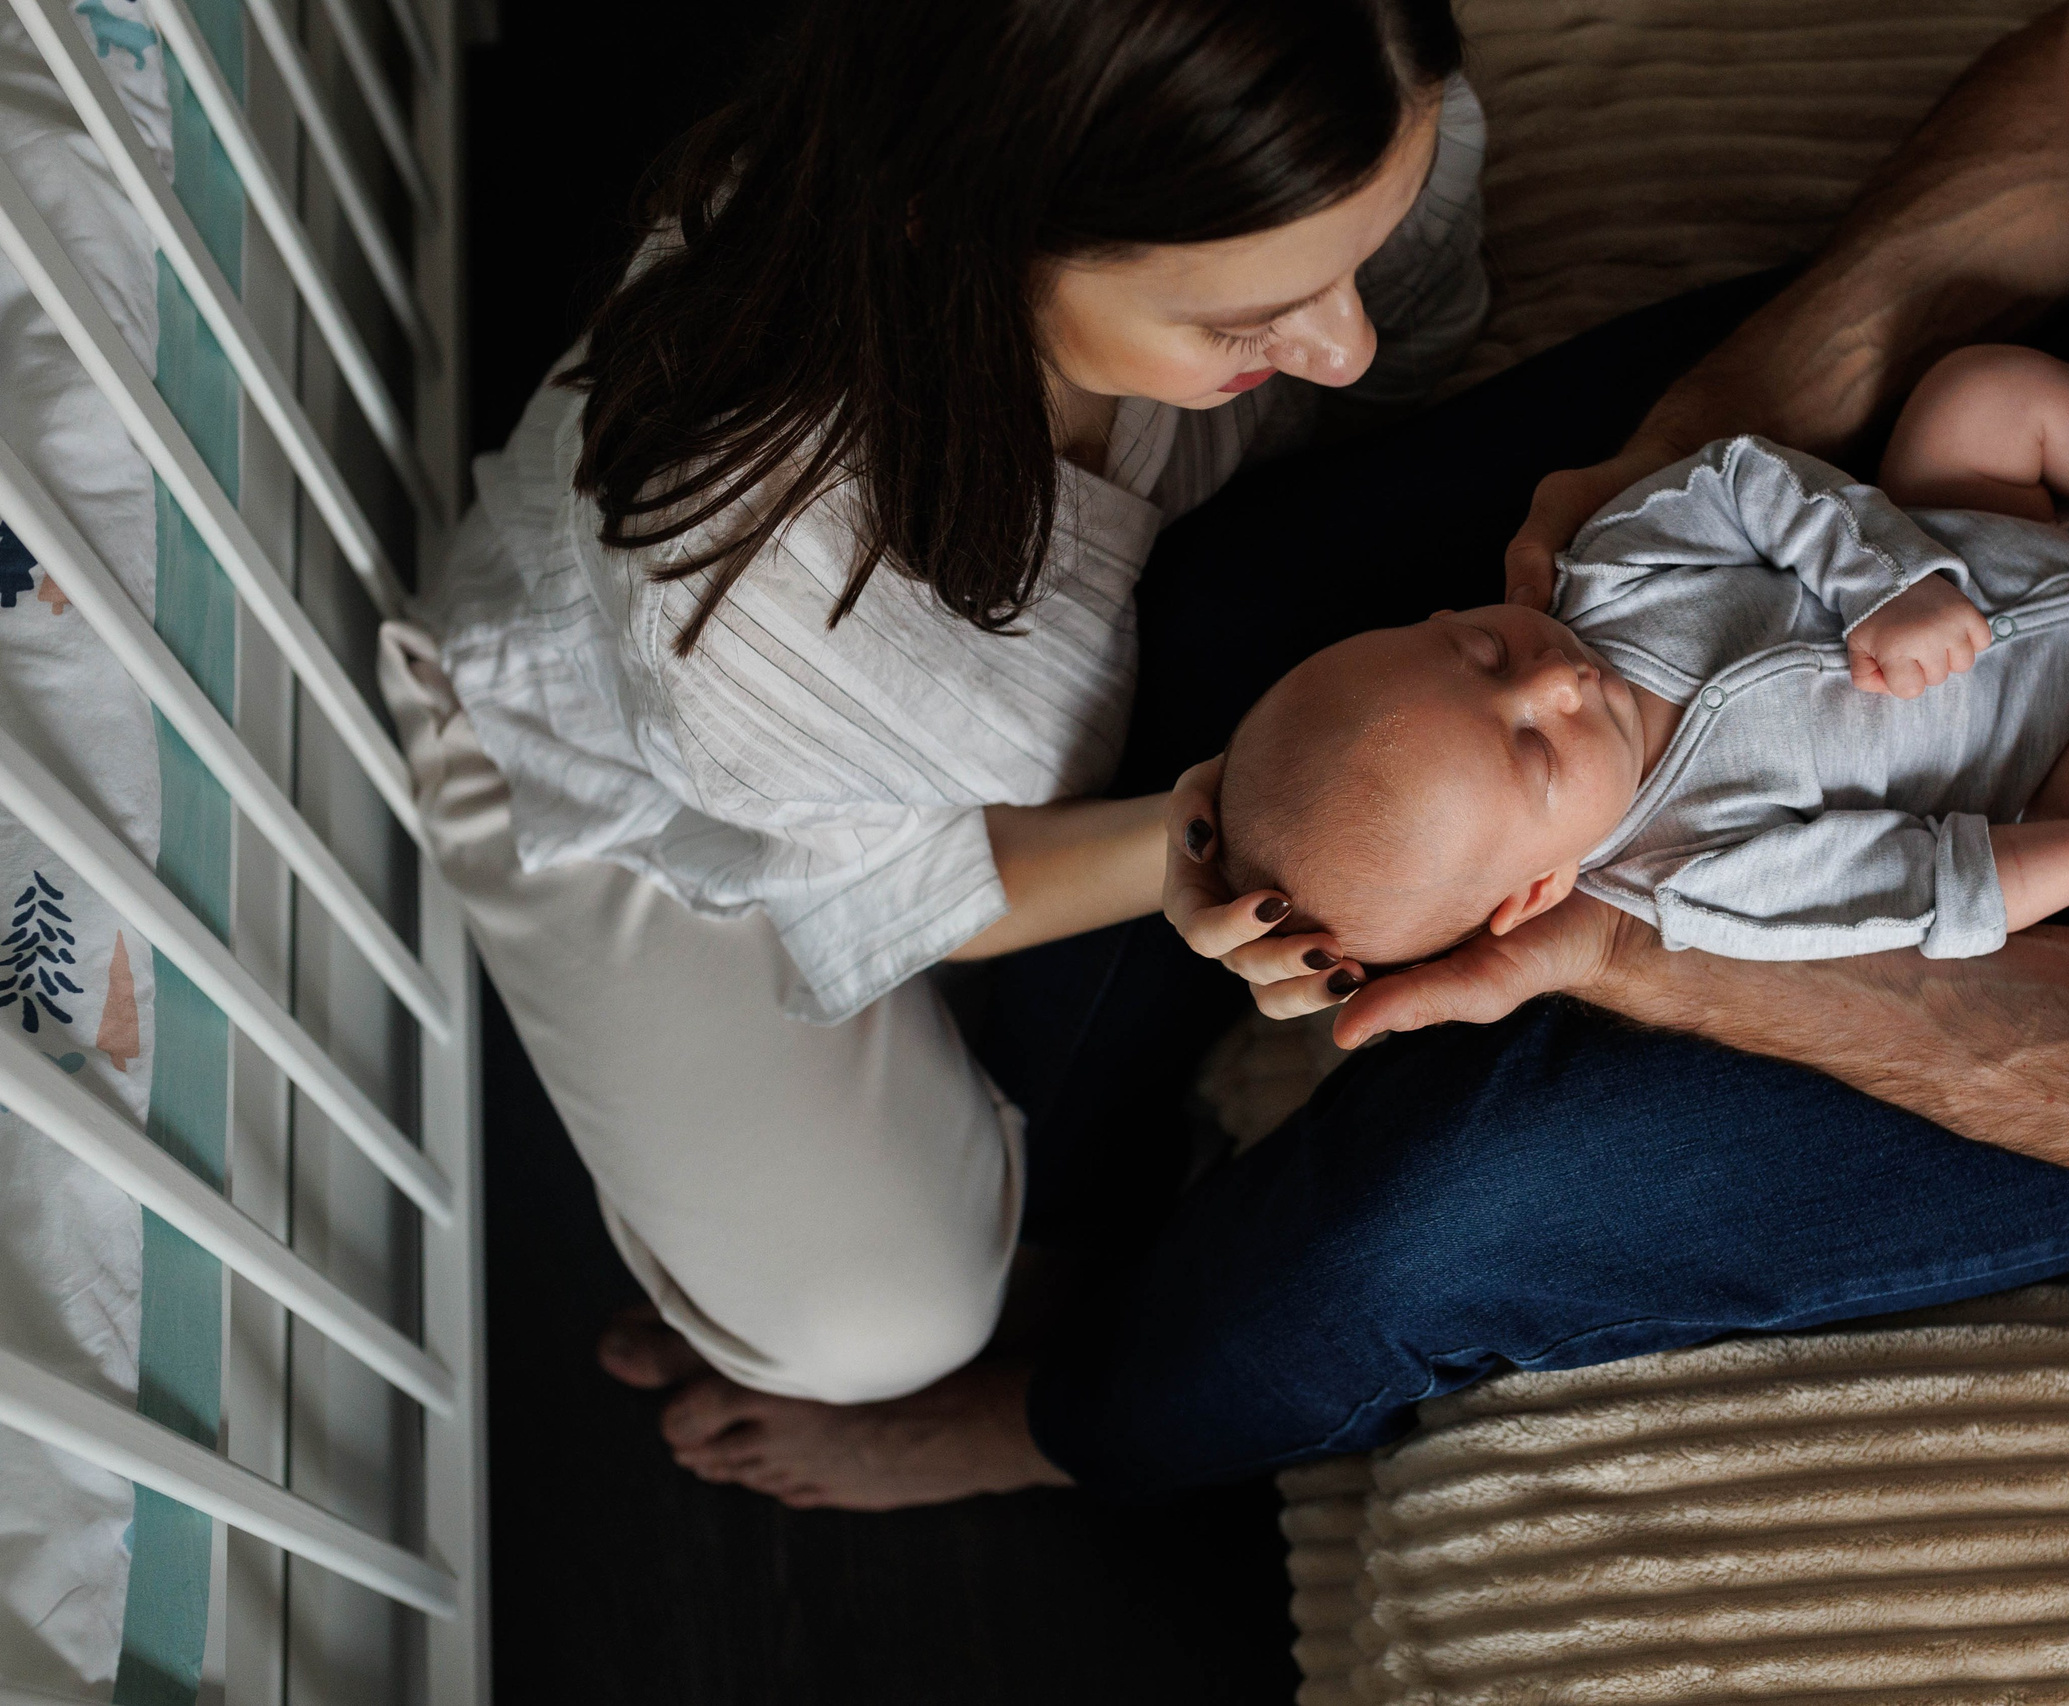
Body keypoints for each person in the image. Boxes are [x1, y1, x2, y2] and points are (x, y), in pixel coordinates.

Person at [633, 0, 2069, 1509]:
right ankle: (1040, 1191)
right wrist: (1725, 431)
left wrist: (1675, 958)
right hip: (2001, 501)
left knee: (1429, 1220)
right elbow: (2068, 121)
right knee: (1231, 646)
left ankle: (1076, 1414)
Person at [376, 0, 1487, 1501]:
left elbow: (1396, 354)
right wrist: (1191, 841)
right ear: (965, 234)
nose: (1336, 349)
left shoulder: (1337, 105)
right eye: (1248, 324)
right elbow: (907, 886)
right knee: (876, 1317)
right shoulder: (749, 600)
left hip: (902, 727)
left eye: (1357, 257)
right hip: (637, 790)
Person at [1211, 357, 2069, 969]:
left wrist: (1888, 582)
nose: (1554, 679)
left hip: (1960, 532)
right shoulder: (1696, 877)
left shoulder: (1605, 572)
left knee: (1973, 398)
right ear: (1538, 889)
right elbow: (1914, 888)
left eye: (1479, 648)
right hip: (2051, 742)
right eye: (1535, 749)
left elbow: (1748, 478)